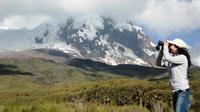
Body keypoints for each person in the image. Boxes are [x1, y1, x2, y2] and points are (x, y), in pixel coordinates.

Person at [156, 38, 192, 112]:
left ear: (177, 47)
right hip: (175, 92)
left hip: (183, 92)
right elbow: (158, 63)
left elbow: (168, 58)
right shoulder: (173, 60)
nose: (170, 46)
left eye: (172, 45)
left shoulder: (182, 57)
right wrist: (162, 51)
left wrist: (165, 47)